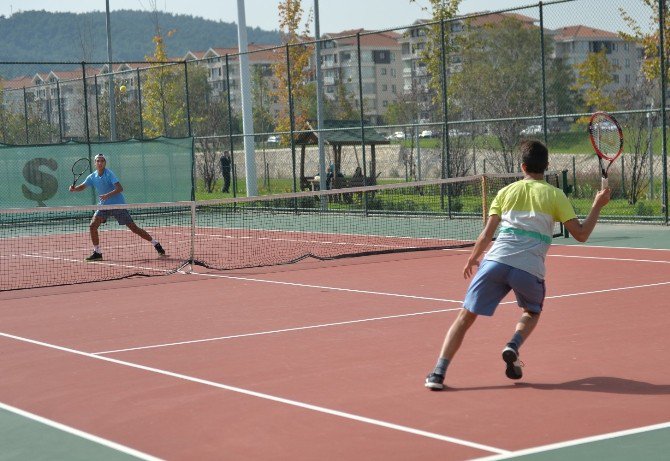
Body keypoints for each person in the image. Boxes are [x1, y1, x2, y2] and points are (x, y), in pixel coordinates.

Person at [424, 140, 611, 391]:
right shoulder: (555, 195)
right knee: (532, 312)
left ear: (522, 166)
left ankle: (437, 373)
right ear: (547, 166)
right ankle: (513, 344)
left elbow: (486, 234)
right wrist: (597, 206)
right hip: (528, 268)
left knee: (464, 317)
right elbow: (581, 234)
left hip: (494, 262)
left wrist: (473, 257)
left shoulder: (505, 192)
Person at [69, 153, 165, 261]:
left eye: (102, 161)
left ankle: (156, 244)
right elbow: (82, 186)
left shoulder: (109, 174)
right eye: (98, 161)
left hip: (117, 205)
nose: (100, 163)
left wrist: (107, 195)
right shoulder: (92, 176)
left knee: (134, 229)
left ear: (105, 163)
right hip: (103, 206)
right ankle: (97, 252)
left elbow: (120, 188)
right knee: (92, 226)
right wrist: (74, 189)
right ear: (95, 163)